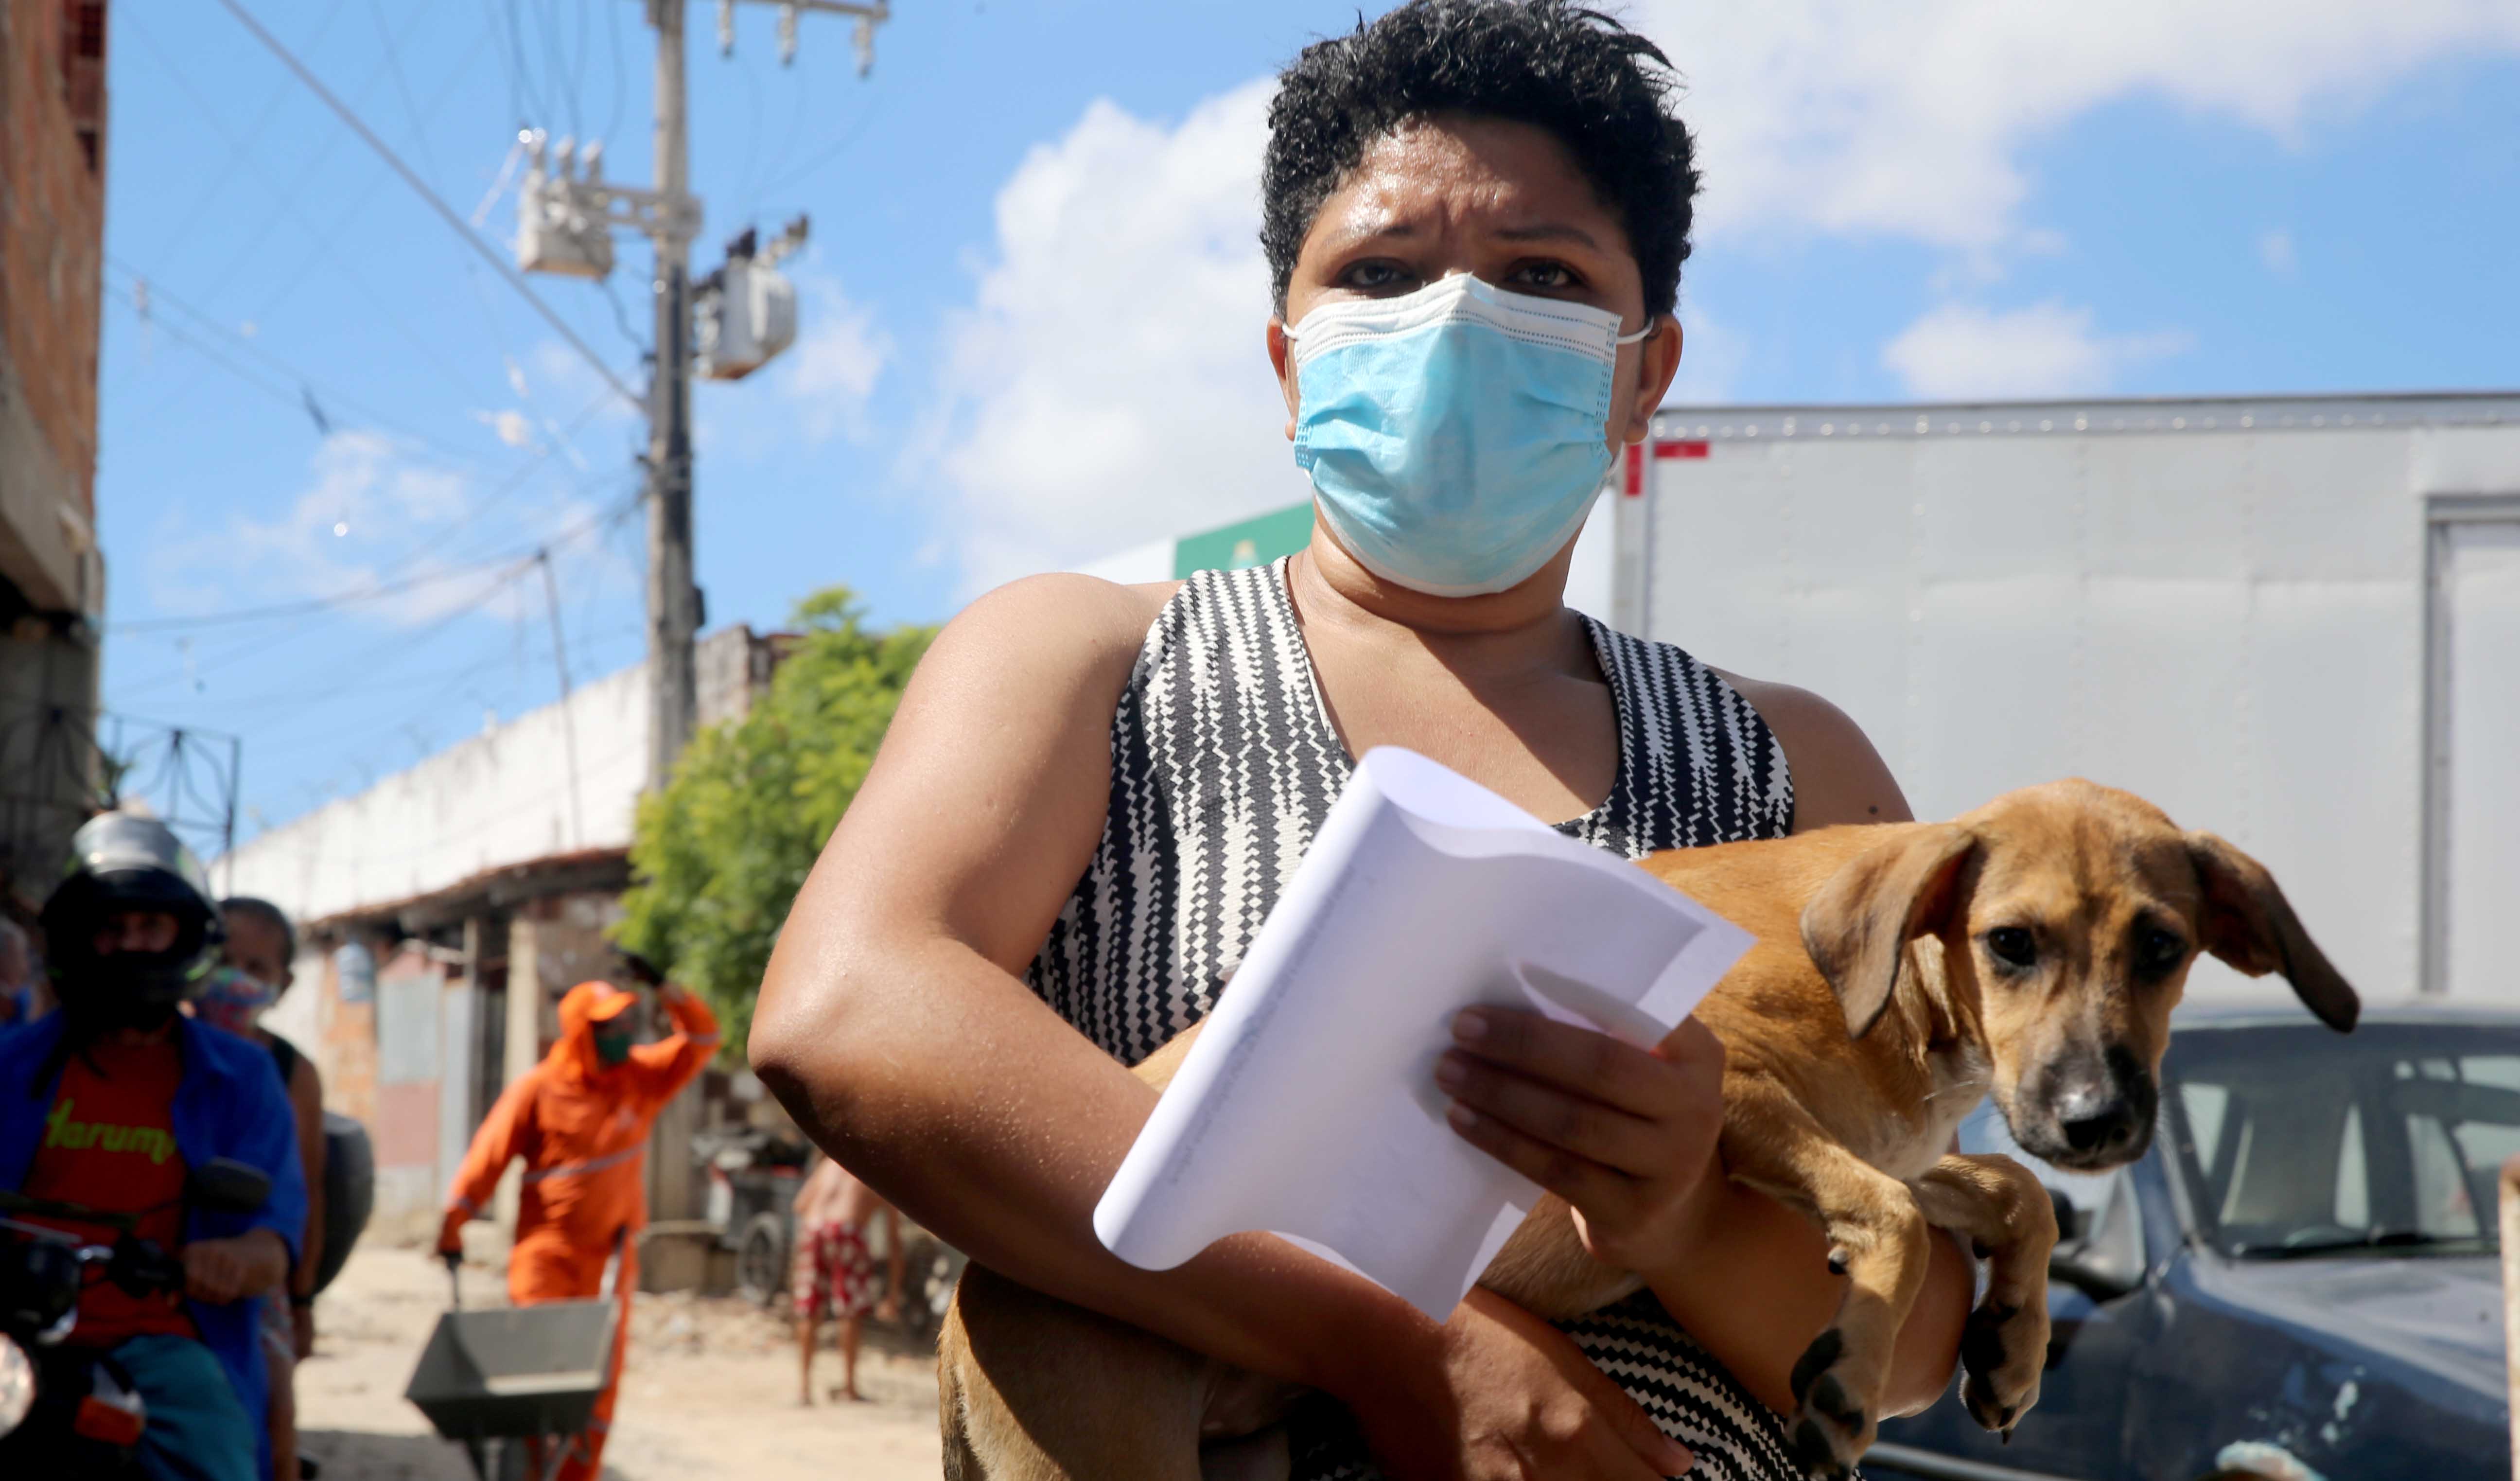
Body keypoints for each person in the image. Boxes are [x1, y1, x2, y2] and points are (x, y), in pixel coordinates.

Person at [748, 4, 1976, 1479]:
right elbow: (849, 1013)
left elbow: (1919, 1346)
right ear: (1289, 358)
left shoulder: (1792, 770)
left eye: (1543, 275)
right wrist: (1407, 1346)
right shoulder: (1088, 663)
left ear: (1645, 370)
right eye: (1381, 274)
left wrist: (1686, 1218)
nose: (1455, 322)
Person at [0, 812, 308, 1481]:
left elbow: (275, 1239)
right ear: (80, 937)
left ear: (185, 934)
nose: (130, 944)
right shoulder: (10, 1066)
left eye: (149, 926)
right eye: (111, 927)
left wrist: (231, 1261)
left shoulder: (243, 1077)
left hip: (164, 1345)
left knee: (221, 1458)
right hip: (13, 1340)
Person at [437, 956, 718, 1481]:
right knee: (537, 1374)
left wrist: (667, 988)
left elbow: (703, 1039)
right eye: (610, 1025)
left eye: (627, 1021)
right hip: (545, 1254)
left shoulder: (643, 1078)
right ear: (583, 1033)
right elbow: (488, 1156)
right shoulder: (539, 1088)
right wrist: (455, 1221)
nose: (624, 1033)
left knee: (596, 1381)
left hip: (609, 1260)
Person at [190, 897, 327, 1481]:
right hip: (162, 1254)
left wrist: (302, 1298)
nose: (236, 979)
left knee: (276, 1411)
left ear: (283, 983)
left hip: (256, 1269)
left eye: (255, 968)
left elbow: (308, 1190)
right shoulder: (157, 1045)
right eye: (225, 961)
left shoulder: (292, 1072)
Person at [789, 1152, 904, 1405]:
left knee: (810, 1309)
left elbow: (800, 1205)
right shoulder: (879, 1172)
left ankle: (803, 1390)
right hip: (848, 1230)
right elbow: (894, 1241)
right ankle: (849, 1388)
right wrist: (893, 1294)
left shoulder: (830, 1163)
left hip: (813, 1228)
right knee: (849, 1311)